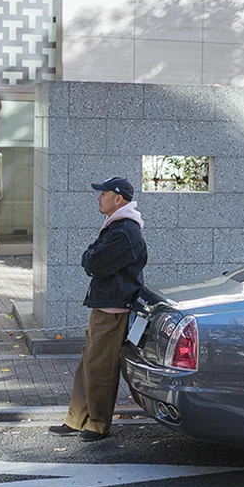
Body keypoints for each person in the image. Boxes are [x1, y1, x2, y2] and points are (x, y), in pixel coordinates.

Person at [49, 176, 147, 443]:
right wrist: (91, 257)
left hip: (114, 307)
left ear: (119, 199)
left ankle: (98, 423)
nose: (98, 198)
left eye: (103, 194)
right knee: (88, 363)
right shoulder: (116, 227)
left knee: (101, 365)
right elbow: (92, 257)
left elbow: (94, 262)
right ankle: (77, 418)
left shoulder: (125, 231)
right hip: (105, 304)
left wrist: (91, 257)